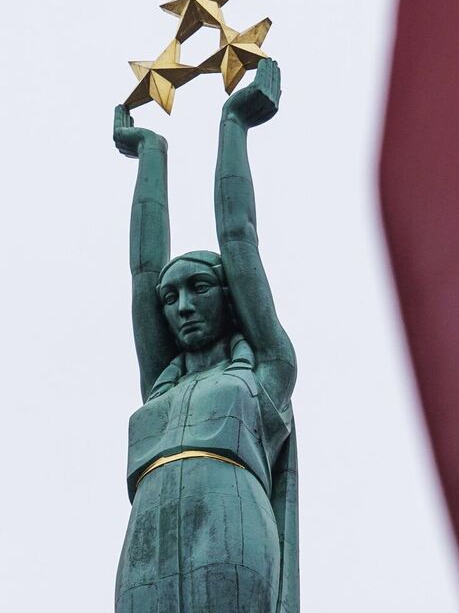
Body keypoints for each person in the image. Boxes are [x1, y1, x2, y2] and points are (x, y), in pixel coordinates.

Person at [110, 59, 298, 613]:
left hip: (229, 513)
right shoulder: (160, 386)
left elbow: (238, 237)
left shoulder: (266, 371)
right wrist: (150, 152)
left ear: (229, 297)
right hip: (147, 526)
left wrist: (233, 125)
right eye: (172, 298)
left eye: (199, 288)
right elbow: (144, 273)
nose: (182, 306)